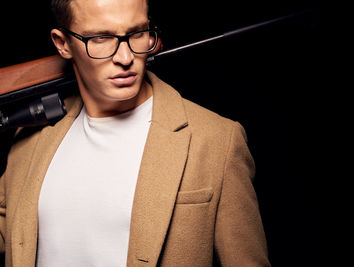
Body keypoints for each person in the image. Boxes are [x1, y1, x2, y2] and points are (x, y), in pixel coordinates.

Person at [0, 0, 270, 266]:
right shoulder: (33, 137)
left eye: (137, 33)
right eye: (101, 38)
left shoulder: (216, 140)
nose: (126, 58)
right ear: (62, 43)